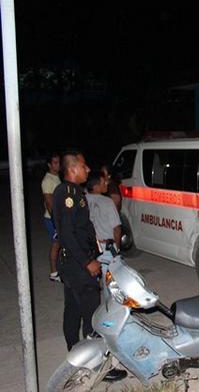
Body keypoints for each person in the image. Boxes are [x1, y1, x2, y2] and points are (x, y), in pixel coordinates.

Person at [53, 152, 128, 381]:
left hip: (73, 264)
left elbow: (80, 230)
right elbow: (67, 234)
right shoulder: (67, 194)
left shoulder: (74, 192)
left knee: (73, 310)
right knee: (93, 315)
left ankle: (75, 358)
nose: (87, 170)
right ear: (72, 169)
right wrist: (88, 262)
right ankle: (97, 366)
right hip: (78, 265)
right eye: (84, 166)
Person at [85, 171, 121, 251]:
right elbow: (117, 229)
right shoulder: (108, 202)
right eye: (103, 182)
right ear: (95, 187)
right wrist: (117, 249)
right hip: (105, 247)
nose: (107, 183)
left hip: (88, 246)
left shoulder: (82, 200)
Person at [42, 152, 61, 282]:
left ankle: (59, 269)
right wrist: (55, 221)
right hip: (52, 218)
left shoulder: (56, 177)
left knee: (60, 243)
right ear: (49, 164)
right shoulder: (47, 180)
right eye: (55, 162)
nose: (58, 165)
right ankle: (54, 273)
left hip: (58, 217)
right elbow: (49, 202)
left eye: (58, 162)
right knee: (56, 244)